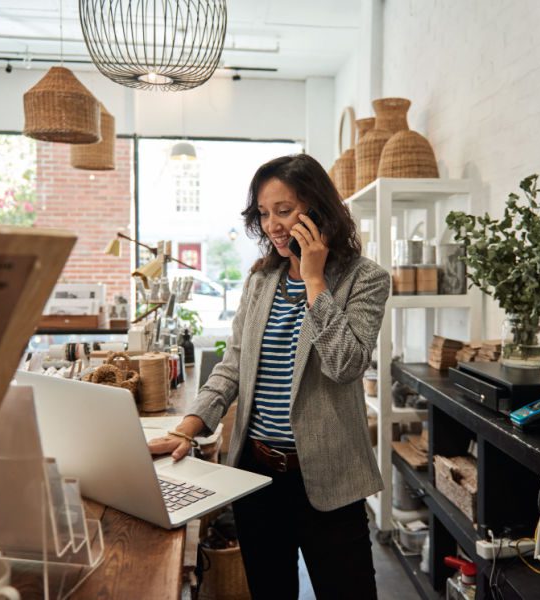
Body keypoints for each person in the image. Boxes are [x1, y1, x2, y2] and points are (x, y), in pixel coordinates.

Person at [148, 153, 390, 599]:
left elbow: (346, 364)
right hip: (257, 478)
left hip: (330, 480)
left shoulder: (365, 279)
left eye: (284, 210)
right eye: (264, 213)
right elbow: (232, 366)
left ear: (318, 210)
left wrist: (315, 282)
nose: (273, 225)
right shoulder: (261, 281)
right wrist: (190, 425)